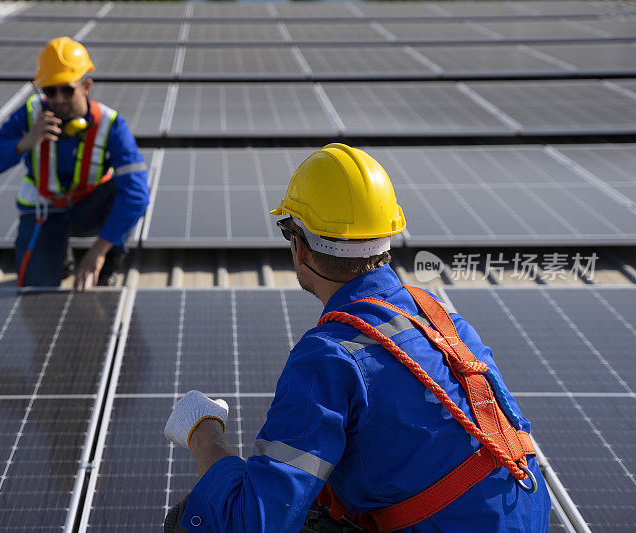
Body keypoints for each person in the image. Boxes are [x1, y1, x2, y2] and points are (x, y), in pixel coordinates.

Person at [163, 144, 551, 532]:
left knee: (198, 519)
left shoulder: (328, 358)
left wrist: (204, 432)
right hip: (526, 515)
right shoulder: (438, 315)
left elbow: (253, 523)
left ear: (299, 248)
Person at [0, 37, 149, 289]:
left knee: (128, 193)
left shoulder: (110, 124)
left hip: (91, 207)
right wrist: (25, 141)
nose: (57, 99)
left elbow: (137, 194)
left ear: (86, 86)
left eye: (67, 90)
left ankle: (109, 261)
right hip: (45, 210)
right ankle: (59, 254)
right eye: (49, 90)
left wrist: (98, 251)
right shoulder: (29, 115)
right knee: (36, 291)